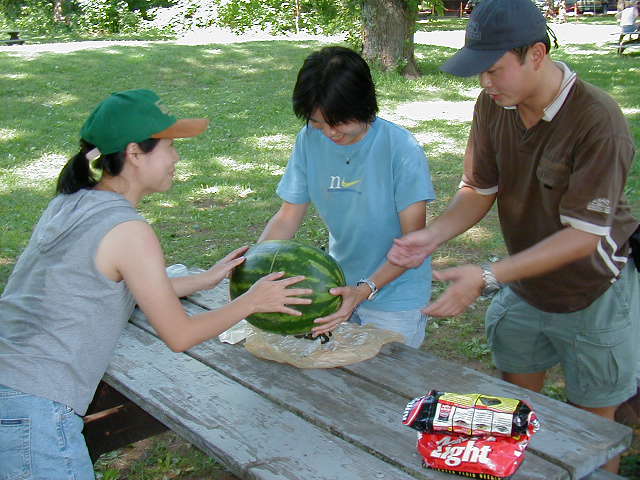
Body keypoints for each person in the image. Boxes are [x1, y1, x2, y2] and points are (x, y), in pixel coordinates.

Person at [0, 89, 312, 479]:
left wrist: (206, 278)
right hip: (36, 410)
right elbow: (179, 335)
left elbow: (107, 282)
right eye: (169, 146)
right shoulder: (128, 229)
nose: (177, 157)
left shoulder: (72, 202)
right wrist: (250, 301)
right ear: (134, 152)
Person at [387, 0, 638, 472]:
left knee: (595, 433)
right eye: (480, 70)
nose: (485, 81)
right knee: (511, 414)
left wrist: (486, 276)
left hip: (595, 291)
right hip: (525, 283)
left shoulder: (598, 120)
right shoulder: (493, 105)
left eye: (494, 69)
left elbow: (584, 237)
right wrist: (433, 235)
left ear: (537, 54)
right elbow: (479, 189)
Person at [259, 46, 436, 348]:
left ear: (364, 106)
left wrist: (365, 289)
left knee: (387, 385)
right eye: (317, 122)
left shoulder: (401, 148)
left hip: (395, 294)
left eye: (338, 121)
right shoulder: (308, 140)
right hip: (337, 286)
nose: (329, 133)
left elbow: (413, 243)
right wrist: (255, 264)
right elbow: (288, 216)